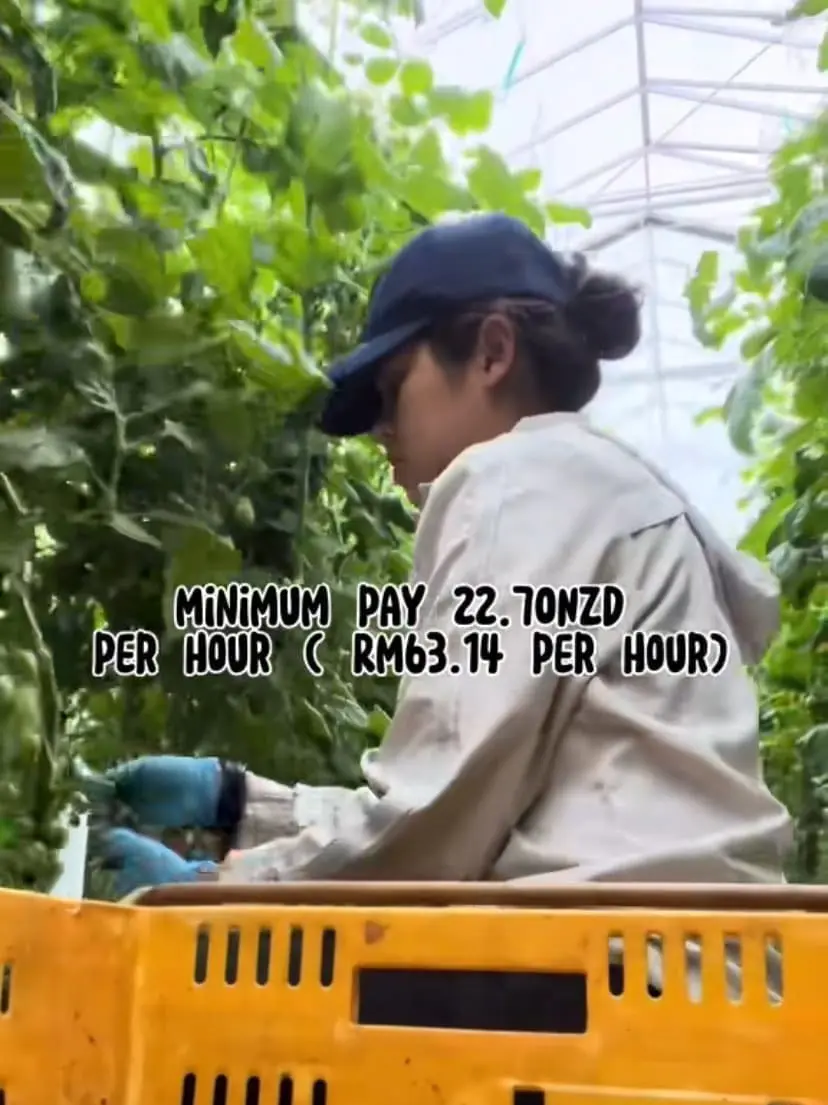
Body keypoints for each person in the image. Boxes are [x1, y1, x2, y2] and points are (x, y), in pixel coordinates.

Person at [102, 212, 792, 899]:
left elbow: (432, 827)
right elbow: (463, 795)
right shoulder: (597, 490)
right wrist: (237, 803)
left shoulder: (514, 481)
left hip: (608, 970)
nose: (380, 427)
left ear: (492, 352)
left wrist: (216, 887)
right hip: (683, 957)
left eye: (393, 385)